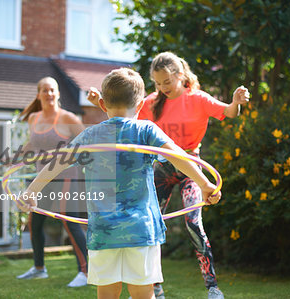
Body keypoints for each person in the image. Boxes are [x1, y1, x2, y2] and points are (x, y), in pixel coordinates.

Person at [18, 68, 222, 299]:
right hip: (141, 229)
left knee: (107, 293)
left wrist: (32, 190)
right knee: (142, 292)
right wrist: (204, 183)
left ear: (102, 104)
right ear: (141, 105)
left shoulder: (90, 135)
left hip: (104, 231)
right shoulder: (146, 130)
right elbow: (179, 157)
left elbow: (57, 163)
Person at [88, 52, 249, 299]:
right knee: (148, 225)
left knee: (194, 223)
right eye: (157, 83)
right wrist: (102, 101)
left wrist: (236, 101)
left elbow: (228, 112)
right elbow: (122, 116)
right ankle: (154, 288)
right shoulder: (152, 102)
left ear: (180, 76)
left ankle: (212, 287)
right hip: (162, 169)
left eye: (167, 82)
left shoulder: (198, 99)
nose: (162, 88)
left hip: (189, 168)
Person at [13, 77, 89, 288]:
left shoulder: (69, 118)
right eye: (45, 90)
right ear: (39, 94)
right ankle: (39, 269)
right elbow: (33, 143)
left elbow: (87, 143)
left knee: (69, 221)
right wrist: (15, 158)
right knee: (34, 223)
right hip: (41, 179)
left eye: (52, 90)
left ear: (58, 93)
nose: (49, 94)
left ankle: (85, 272)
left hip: (66, 176)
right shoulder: (34, 118)